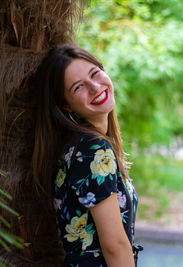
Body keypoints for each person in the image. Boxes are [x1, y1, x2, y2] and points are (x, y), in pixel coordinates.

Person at [33, 45, 141, 267]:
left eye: (94, 74)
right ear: (65, 105)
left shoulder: (76, 145)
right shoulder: (92, 150)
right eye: (78, 87)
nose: (94, 86)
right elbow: (115, 246)